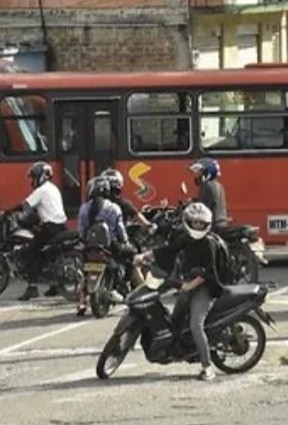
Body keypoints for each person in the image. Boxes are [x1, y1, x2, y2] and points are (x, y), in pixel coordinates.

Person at [134, 202, 225, 381]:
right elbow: (168, 250)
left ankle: (208, 367)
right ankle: (179, 350)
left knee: (195, 325)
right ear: (188, 222)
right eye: (195, 223)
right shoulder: (187, 238)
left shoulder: (208, 244)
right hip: (188, 283)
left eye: (201, 223)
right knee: (175, 321)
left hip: (206, 288)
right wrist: (145, 256)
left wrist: (189, 286)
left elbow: (209, 273)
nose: (198, 226)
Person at [75, 176, 129, 316]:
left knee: (84, 272)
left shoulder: (83, 209)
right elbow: (120, 231)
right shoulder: (113, 208)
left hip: (89, 247)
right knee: (127, 260)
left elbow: (81, 230)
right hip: (110, 246)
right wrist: (125, 242)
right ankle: (124, 289)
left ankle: (81, 301)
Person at [15, 161, 69, 301]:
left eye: (33, 177)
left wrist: (9, 211)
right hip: (61, 226)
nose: (32, 181)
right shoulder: (53, 188)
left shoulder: (41, 190)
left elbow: (25, 205)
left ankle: (32, 287)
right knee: (50, 253)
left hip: (50, 227)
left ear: (41, 176)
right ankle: (55, 286)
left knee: (30, 251)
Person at [188, 157, 229, 229]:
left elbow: (202, 208)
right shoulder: (218, 185)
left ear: (207, 172)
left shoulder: (206, 186)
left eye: (200, 172)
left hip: (213, 225)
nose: (197, 175)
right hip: (221, 223)